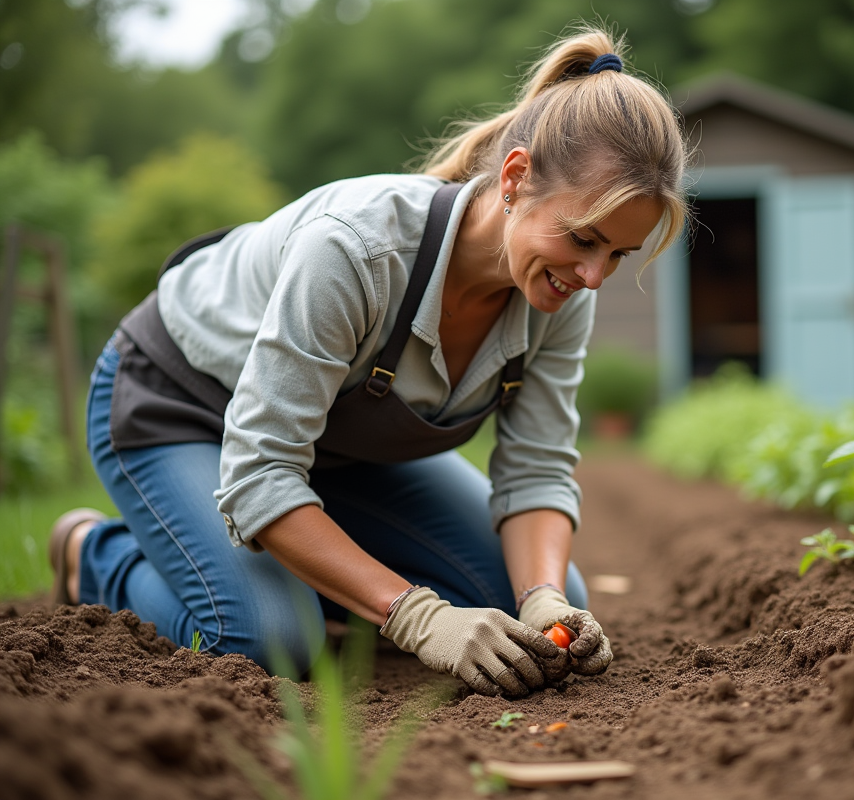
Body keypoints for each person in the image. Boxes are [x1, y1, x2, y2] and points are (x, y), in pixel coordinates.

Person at [46, 24, 689, 698]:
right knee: (268, 637)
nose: (593, 276)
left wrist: (545, 601)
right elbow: (262, 473)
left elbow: (535, 470)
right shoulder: (355, 251)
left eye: (618, 254)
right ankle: (94, 555)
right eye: (584, 238)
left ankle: (318, 578)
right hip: (176, 404)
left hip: (330, 449)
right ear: (515, 177)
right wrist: (415, 615)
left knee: (547, 590)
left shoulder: (557, 292)